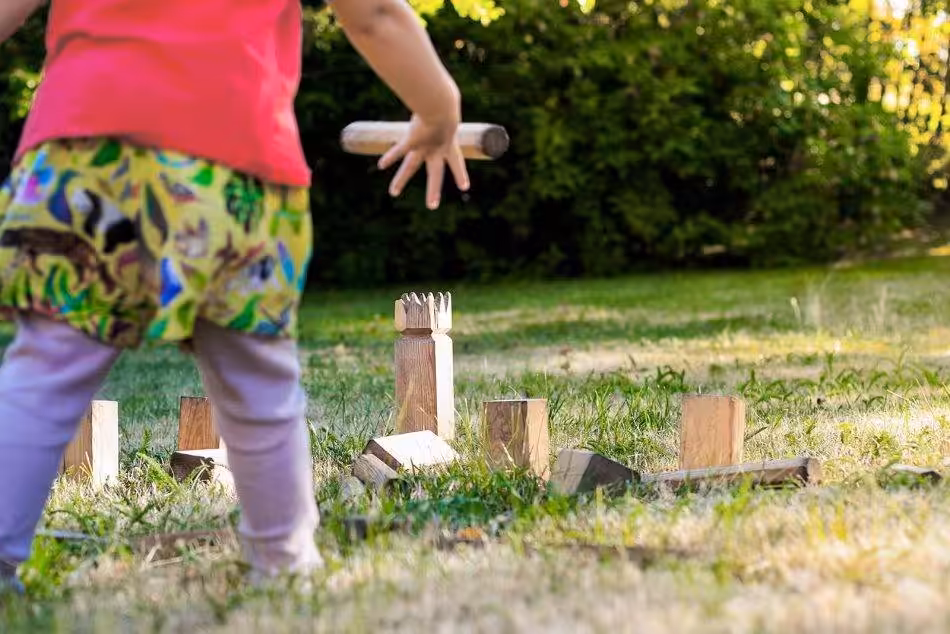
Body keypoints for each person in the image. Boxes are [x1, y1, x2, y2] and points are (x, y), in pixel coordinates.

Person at [0, 0, 469, 594]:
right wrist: (438, 109)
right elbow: (374, 13)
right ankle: (284, 565)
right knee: (257, 383)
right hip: (235, 169)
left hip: (89, 158)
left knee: (45, 370)